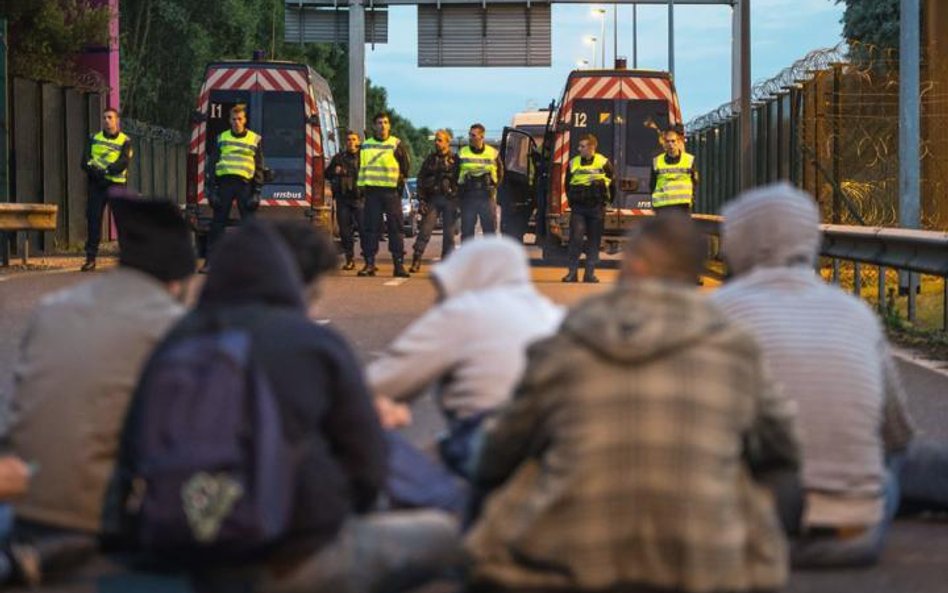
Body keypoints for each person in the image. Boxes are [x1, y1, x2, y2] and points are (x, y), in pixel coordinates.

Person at [104, 220, 461, 593]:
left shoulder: (177, 340)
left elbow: (131, 450)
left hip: (184, 552)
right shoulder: (311, 343)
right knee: (452, 535)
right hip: (290, 556)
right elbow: (368, 469)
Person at [466, 212, 799, 593]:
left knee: (511, 458)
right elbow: (784, 447)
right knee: (778, 474)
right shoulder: (735, 348)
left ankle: (481, 562)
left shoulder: (568, 341)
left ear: (637, 266)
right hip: (702, 572)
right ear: (693, 275)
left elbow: (497, 451)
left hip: (565, 563)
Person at [711, 182, 948, 568]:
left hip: (745, 516)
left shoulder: (718, 312)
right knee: (912, 462)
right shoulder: (854, 312)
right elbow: (895, 434)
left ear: (737, 239)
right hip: (854, 530)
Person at [5, 197, 194, 584]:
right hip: (103, 522)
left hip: (24, 502)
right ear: (177, 281)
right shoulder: (176, 328)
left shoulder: (53, 308)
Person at [368, 237, 563, 510]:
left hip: (488, 451)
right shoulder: (554, 315)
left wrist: (383, 408)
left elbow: (377, 385)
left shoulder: (465, 311)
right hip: (557, 454)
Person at [206, 104, 265, 265]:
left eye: (240, 119)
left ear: (245, 120)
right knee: (218, 222)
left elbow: (259, 166)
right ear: (229, 121)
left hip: (244, 185)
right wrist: (211, 191)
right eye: (234, 119)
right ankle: (210, 262)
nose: (237, 122)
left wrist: (257, 191)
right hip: (225, 184)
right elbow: (212, 165)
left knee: (249, 224)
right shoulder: (222, 138)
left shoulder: (254, 139)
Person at [357, 112, 411, 278]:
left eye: (385, 122)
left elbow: (405, 167)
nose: (382, 125)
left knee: (396, 229)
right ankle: (369, 264)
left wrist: (399, 182)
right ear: (374, 126)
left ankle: (399, 265)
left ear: (389, 125)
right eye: (379, 122)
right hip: (372, 192)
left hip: (391, 193)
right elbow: (360, 166)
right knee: (370, 230)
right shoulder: (366, 145)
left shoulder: (396, 144)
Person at [80, 108, 132, 272]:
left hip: (116, 184)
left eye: (110, 117)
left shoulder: (125, 141)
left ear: (117, 120)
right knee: (93, 219)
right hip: (97, 185)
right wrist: (97, 173)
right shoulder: (94, 138)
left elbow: (123, 162)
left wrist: (107, 171)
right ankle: (90, 258)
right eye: (104, 118)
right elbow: (85, 161)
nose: (107, 120)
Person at [562, 133, 614, 283]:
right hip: (579, 208)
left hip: (596, 208)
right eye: (579, 146)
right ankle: (572, 273)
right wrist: (572, 201)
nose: (579, 149)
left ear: (591, 148)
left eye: (582, 146)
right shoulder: (573, 163)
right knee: (576, 239)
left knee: (594, 241)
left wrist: (607, 201)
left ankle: (589, 274)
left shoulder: (603, 163)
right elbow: (567, 184)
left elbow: (612, 182)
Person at [410, 129, 459, 273]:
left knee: (449, 234)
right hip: (433, 199)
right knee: (425, 230)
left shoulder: (455, 160)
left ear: (447, 142)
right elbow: (420, 179)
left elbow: (460, 180)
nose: (437, 143)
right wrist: (422, 200)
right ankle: (416, 259)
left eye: (440, 140)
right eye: (436, 140)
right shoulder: (430, 159)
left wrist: (458, 199)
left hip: (450, 199)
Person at [457, 124, 504, 241]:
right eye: (469, 135)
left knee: (489, 231)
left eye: (473, 135)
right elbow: (455, 173)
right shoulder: (462, 152)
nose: (470, 137)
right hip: (468, 195)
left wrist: (493, 186)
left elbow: (501, 173)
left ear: (481, 136)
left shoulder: (493, 153)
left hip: (486, 196)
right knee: (467, 232)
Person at [326, 131, 363, 270]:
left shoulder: (364, 157)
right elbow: (327, 174)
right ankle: (350, 259)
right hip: (343, 199)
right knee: (345, 232)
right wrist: (335, 172)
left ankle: (369, 260)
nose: (351, 142)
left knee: (365, 231)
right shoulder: (339, 158)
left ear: (358, 141)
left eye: (354, 139)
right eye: (348, 139)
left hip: (360, 199)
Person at [650, 125, 698, 215]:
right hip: (662, 208)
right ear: (664, 143)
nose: (670, 144)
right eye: (668, 141)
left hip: (682, 207)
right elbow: (652, 185)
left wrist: (691, 200)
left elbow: (694, 182)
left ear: (678, 142)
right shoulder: (657, 161)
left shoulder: (689, 160)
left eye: (673, 141)